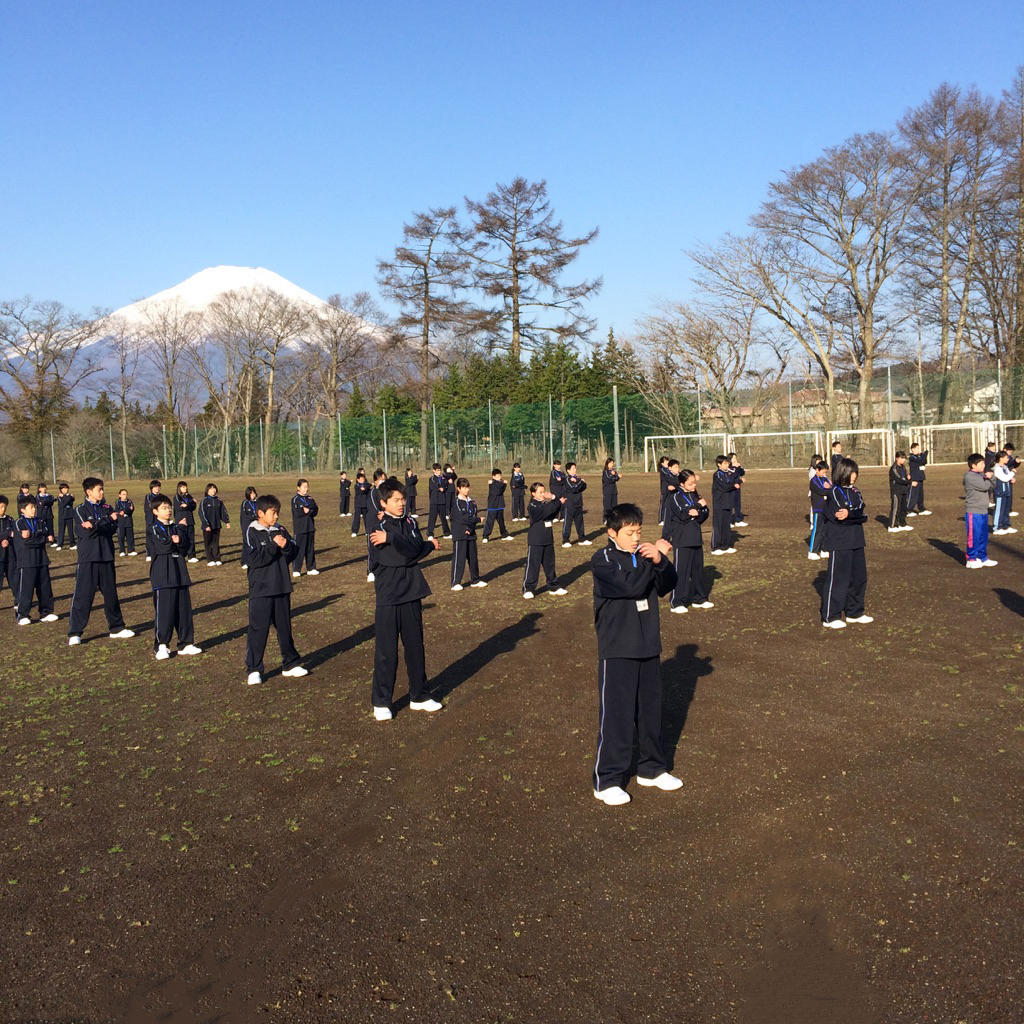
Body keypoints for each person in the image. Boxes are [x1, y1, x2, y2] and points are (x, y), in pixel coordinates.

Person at [590, 502, 681, 806]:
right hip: (618, 650)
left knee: (650, 713)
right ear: (612, 533)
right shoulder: (602, 560)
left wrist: (662, 563)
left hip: (648, 646)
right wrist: (654, 559)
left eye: (638, 532)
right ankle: (607, 780)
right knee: (616, 715)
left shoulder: (643, 556)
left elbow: (667, 585)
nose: (635, 538)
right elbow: (629, 587)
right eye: (629, 533)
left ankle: (652, 769)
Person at [369, 476, 443, 719]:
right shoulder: (377, 527)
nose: (401, 504)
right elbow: (397, 557)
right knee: (386, 650)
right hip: (389, 595)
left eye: (403, 499)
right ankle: (381, 702)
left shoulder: (410, 522)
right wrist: (416, 547)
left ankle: (419, 695)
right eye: (396, 500)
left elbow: (415, 550)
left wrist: (417, 546)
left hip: (412, 591)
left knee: (415, 647)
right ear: (383, 503)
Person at [244, 495, 308, 686]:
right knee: (258, 629)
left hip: (281, 586)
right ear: (261, 513)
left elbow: (294, 552)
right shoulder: (252, 531)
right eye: (273, 513)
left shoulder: (280, 529)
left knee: (284, 628)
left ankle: (290, 663)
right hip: (261, 589)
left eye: (278, 512)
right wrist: (274, 546)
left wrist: (286, 545)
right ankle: (254, 668)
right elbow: (254, 559)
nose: (276, 516)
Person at [67, 476, 135, 645]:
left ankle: (116, 627)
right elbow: (86, 532)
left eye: (102, 488)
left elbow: (112, 527)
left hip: (106, 555)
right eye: (99, 489)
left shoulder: (107, 507)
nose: (102, 492)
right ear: (89, 492)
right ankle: (75, 632)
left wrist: (98, 524)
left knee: (111, 594)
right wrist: (104, 522)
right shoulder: (80, 510)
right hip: (88, 558)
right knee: (83, 596)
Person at [820, 457, 872, 629]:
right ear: (843, 472)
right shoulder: (833, 492)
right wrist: (855, 516)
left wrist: (852, 515)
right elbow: (838, 515)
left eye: (855, 472)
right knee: (838, 579)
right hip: (839, 541)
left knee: (859, 577)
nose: (854, 476)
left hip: (857, 539)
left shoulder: (856, 492)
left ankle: (855, 612)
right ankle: (830, 616)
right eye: (851, 472)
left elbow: (862, 512)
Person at [148, 495, 202, 660]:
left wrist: (179, 538)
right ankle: (162, 645)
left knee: (183, 610)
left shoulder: (176, 527)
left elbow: (185, 546)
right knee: (165, 612)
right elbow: (162, 546)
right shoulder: (153, 528)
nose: (168, 510)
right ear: (155, 511)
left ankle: (186, 643)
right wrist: (175, 541)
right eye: (164, 508)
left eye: (169, 507)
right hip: (163, 576)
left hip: (180, 573)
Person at [663, 470, 713, 613]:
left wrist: (697, 511)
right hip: (682, 539)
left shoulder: (695, 495)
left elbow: (705, 513)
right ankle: (677, 601)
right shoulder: (675, 497)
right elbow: (682, 514)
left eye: (694, 482)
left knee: (698, 571)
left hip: (696, 538)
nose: (693, 485)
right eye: (690, 483)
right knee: (681, 571)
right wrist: (697, 507)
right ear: (682, 484)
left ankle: (700, 598)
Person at [12, 496, 57, 625]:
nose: (34, 510)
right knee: (26, 588)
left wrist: (34, 537)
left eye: (34, 507)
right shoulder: (18, 523)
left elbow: (48, 537)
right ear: (22, 510)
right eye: (31, 508)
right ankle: (22, 614)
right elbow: (26, 542)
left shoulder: (40, 521)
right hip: (26, 561)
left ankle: (46, 612)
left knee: (45, 587)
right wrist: (39, 537)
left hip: (42, 559)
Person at [522, 483, 568, 599]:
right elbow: (546, 511)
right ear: (533, 493)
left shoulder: (545, 504)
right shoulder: (532, 505)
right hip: (536, 540)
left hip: (548, 538)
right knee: (533, 565)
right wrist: (554, 499)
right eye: (540, 492)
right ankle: (528, 588)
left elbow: (553, 512)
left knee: (550, 565)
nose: (543, 494)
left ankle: (553, 586)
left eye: (544, 492)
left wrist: (556, 502)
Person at [450, 478, 486, 590]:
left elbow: (472, 515)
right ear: (458, 488)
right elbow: (463, 518)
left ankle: (475, 580)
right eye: (464, 487)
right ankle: (455, 582)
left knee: (473, 558)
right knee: (459, 558)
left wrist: (470, 529)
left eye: (468, 487)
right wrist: (478, 520)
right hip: (460, 534)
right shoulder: (456, 502)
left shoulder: (472, 502)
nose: (467, 490)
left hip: (471, 533)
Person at [964, 454, 997, 569]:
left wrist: (991, 477)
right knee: (973, 536)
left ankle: (982, 557)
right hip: (974, 511)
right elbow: (985, 486)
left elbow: (993, 486)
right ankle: (971, 558)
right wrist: (989, 478)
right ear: (973, 465)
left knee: (983, 536)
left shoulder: (981, 475)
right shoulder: (969, 476)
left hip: (983, 510)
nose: (984, 465)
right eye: (981, 463)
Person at [290, 478, 320, 575]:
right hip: (300, 528)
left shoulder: (310, 499)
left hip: (310, 527)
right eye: (304, 487)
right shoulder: (295, 500)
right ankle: (296, 569)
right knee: (299, 549)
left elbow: (315, 510)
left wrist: (309, 511)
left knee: (310, 549)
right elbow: (297, 513)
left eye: (307, 487)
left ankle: (311, 568)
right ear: (298, 488)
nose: (306, 489)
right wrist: (304, 511)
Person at [710, 456, 738, 555]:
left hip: (727, 503)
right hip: (719, 504)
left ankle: (725, 546)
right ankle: (715, 547)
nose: (727, 465)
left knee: (726, 525)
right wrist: (734, 485)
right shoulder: (717, 475)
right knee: (718, 525)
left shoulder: (727, 473)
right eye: (725, 463)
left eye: (727, 463)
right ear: (719, 464)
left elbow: (736, 478)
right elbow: (725, 487)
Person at [199, 483, 230, 565]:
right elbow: (202, 514)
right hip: (207, 527)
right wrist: (206, 525)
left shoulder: (219, 500)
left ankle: (217, 558)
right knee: (208, 543)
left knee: (216, 543)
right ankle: (210, 560)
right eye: (211, 489)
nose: (213, 490)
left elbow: (223, 512)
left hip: (217, 525)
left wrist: (226, 521)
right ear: (207, 490)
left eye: (214, 488)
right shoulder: (204, 501)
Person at [365, 469, 387, 582]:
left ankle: (382, 569)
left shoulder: (386, 491)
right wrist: (382, 511)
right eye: (380, 479)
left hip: (383, 524)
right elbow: (376, 507)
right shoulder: (374, 492)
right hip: (372, 524)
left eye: (383, 479)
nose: (382, 481)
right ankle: (371, 571)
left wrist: (386, 512)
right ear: (375, 481)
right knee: (372, 548)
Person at [561, 461, 591, 546]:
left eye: (575, 468)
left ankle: (582, 539)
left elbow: (584, 486)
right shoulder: (567, 479)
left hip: (578, 503)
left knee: (580, 522)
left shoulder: (577, 478)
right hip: (570, 504)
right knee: (568, 523)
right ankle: (565, 540)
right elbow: (573, 488)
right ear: (568, 470)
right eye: (573, 468)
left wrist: (580, 483)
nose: (575, 470)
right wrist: (580, 482)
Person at [807, 460, 832, 560]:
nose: (824, 474)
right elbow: (822, 491)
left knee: (825, 530)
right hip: (818, 508)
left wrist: (829, 487)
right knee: (817, 530)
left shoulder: (824, 479)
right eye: (823, 472)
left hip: (826, 508)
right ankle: (812, 551)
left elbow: (830, 487)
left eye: (826, 472)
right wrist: (828, 488)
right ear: (817, 470)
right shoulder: (813, 481)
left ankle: (823, 549)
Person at [481, 468, 513, 543]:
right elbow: (498, 491)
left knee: (501, 522)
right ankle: (485, 536)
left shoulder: (499, 482)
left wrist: (503, 483)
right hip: (492, 506)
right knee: (490, 521)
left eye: (500, 475)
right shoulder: (492, 483)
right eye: (498, 475)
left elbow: (501, 490)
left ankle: (504, 535)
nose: (500, 477)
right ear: (493, 476)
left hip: (500, 505)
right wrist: (504, 484)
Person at [991, 450, 1017, 535]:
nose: (1008, 458)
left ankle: (1006, 525)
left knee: (1006, 510)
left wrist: (1011, 479)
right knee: (999, 510)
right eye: (1006, 457)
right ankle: (997, 527)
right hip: (1000, 493)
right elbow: (1004, 478)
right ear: (1001, 458)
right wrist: (1012, 473)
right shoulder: (997, 468)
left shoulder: (1005, 467)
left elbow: (1008, 477)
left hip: (1007, 492)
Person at [173, 481, 198, 562]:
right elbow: (181, 507)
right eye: (183, 487)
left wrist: (188, 504)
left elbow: (194, 506)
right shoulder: (176, 497)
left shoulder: (188, 496)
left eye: (186, 487)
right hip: (181, 521)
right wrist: (190, 503)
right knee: (182, 539)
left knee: (191, 539)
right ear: (179, 488)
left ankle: (191, 556)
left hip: (190, 520)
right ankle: (181, 555)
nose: (185, 488)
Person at [888, 452, 912, 532]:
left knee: (903, 508)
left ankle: (902, 523)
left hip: (904, 490)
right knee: (896, 508)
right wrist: (910, 482)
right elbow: (899, 479)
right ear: (897, 458)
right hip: (897, 491)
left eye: (904, 458)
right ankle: (892, 526)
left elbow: (904, 477)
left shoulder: (903, 467)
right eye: (902, 458)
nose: (903, 460)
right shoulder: (894, 468)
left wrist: (908, 477)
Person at [426, 463, 450, 540]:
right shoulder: (432, 478)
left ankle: (446, 533)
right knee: (432, 518)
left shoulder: (443, 478)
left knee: (443, 518)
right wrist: (439, 488)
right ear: (434, 471)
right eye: (437, 470)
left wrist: (444, 488)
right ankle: (430, 533)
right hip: (434, 501)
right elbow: (433, 486)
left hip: (442, 501)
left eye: (440, 470)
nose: (439, 472)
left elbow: (446, 484)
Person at [0, 496, 16, 607]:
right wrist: (4, 537)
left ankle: (18, 600)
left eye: (4, 507)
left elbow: (14, 533)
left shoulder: (10, 520)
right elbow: (8, 533)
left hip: (10, 555)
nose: (3, 509)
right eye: (1, 507)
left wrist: (8, 539)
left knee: (14, 579)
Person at [907, 442, 930, 516]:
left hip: (920, 477)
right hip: (915, 478)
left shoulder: (919, 456)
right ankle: (908, 510)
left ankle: (921, 508)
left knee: (920, 495)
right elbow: (920, 461)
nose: (918, 450)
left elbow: (924, 461)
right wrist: (924, 454)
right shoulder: (912, 457)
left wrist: (923, 456)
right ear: (912, 449)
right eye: (917, 448)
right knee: (913, 495)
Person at [114, 488, 138, 557]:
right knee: (121, 537)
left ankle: (131, 550)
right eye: (123, 494)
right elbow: (117, 511)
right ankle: (122, 551)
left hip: (129, 522)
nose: (125, 496)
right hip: (120, 522)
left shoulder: (129, 501)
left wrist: (124, 511)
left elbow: (131, 509)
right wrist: (124, 510)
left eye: (126, 494)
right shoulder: (117, 502)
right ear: (120, 495)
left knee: (130, 537)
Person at [143, 479, 162, 562]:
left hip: (159, 518)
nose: (157, 489)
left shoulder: (162, 496)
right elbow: (150, 506)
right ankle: (149, 554)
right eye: (155, 487)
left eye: (158, 487)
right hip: (151, 519)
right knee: (150, 536)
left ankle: (159, 551)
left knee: (160, 534)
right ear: (151, 488)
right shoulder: (148, 496)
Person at [728, 453, 748, 527]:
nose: (735, 459)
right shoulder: (728, 467)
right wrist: (736, 468)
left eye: (736, 458)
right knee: (730, 505)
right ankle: (729, 522)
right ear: (730, 459)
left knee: (737, 504)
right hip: (730, 488)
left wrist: (739, 467)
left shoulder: (737, 467)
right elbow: (733, 475)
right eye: (734, 458)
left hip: (737, 488)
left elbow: (742, 473)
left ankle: (738, 520)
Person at [55, 482, 76, 549]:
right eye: (63, 488)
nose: (65, 490)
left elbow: (71, 500)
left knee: (70, 531)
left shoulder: (69, 496)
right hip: (62, 516)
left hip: (69, 515)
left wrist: (69, 497)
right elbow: (64, 503)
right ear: (61, 489)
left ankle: (72, 544)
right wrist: (69, 497)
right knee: (61, 531)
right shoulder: (60, 497)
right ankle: (60, 545)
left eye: (66, 488)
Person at [351, 470, 371, 537]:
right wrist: (363, 489)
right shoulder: (356, 486)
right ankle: (354, 531)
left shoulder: (367, 484)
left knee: (366, 518)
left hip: (365, 504)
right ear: (358, 480)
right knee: (356, 518)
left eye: (363, 478)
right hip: (358, 505)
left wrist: (365, 488)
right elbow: (361, 491)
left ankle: (368, 531)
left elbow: (368, 486)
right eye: (361, 479)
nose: (363, 480)